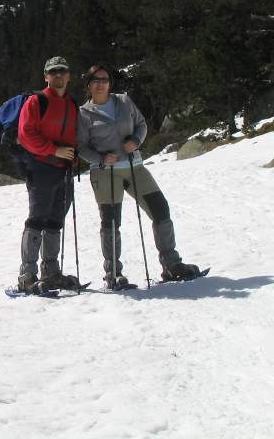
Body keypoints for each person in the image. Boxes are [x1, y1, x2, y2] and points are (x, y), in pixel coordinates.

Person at [76, 64, 201, 288]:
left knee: (160, 209)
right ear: (89, 85)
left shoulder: (124, 101)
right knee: (111, 221)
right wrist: (100, 158)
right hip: (105, 172)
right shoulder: (84, 113)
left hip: (135, 166)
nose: (101, 83)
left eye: (105, 79)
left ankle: (171, 265)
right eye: (96, 80)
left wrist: (136, 141)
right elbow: (81, 146)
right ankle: (113, 274)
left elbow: (141, 125)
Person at [16, 56, 80, 293]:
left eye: (62, 71)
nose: (58, 76)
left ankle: (51, 273)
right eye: (53, 72)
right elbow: (26, 135)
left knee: (55, 221)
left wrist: (72, 155)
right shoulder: (37, 101)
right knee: (37, 220)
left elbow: (73, 134)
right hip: (41, 167)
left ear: (69, 75)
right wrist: (54, 150)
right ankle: (27, 276)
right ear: (46, 76)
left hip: (64, 170)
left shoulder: (72, 103)